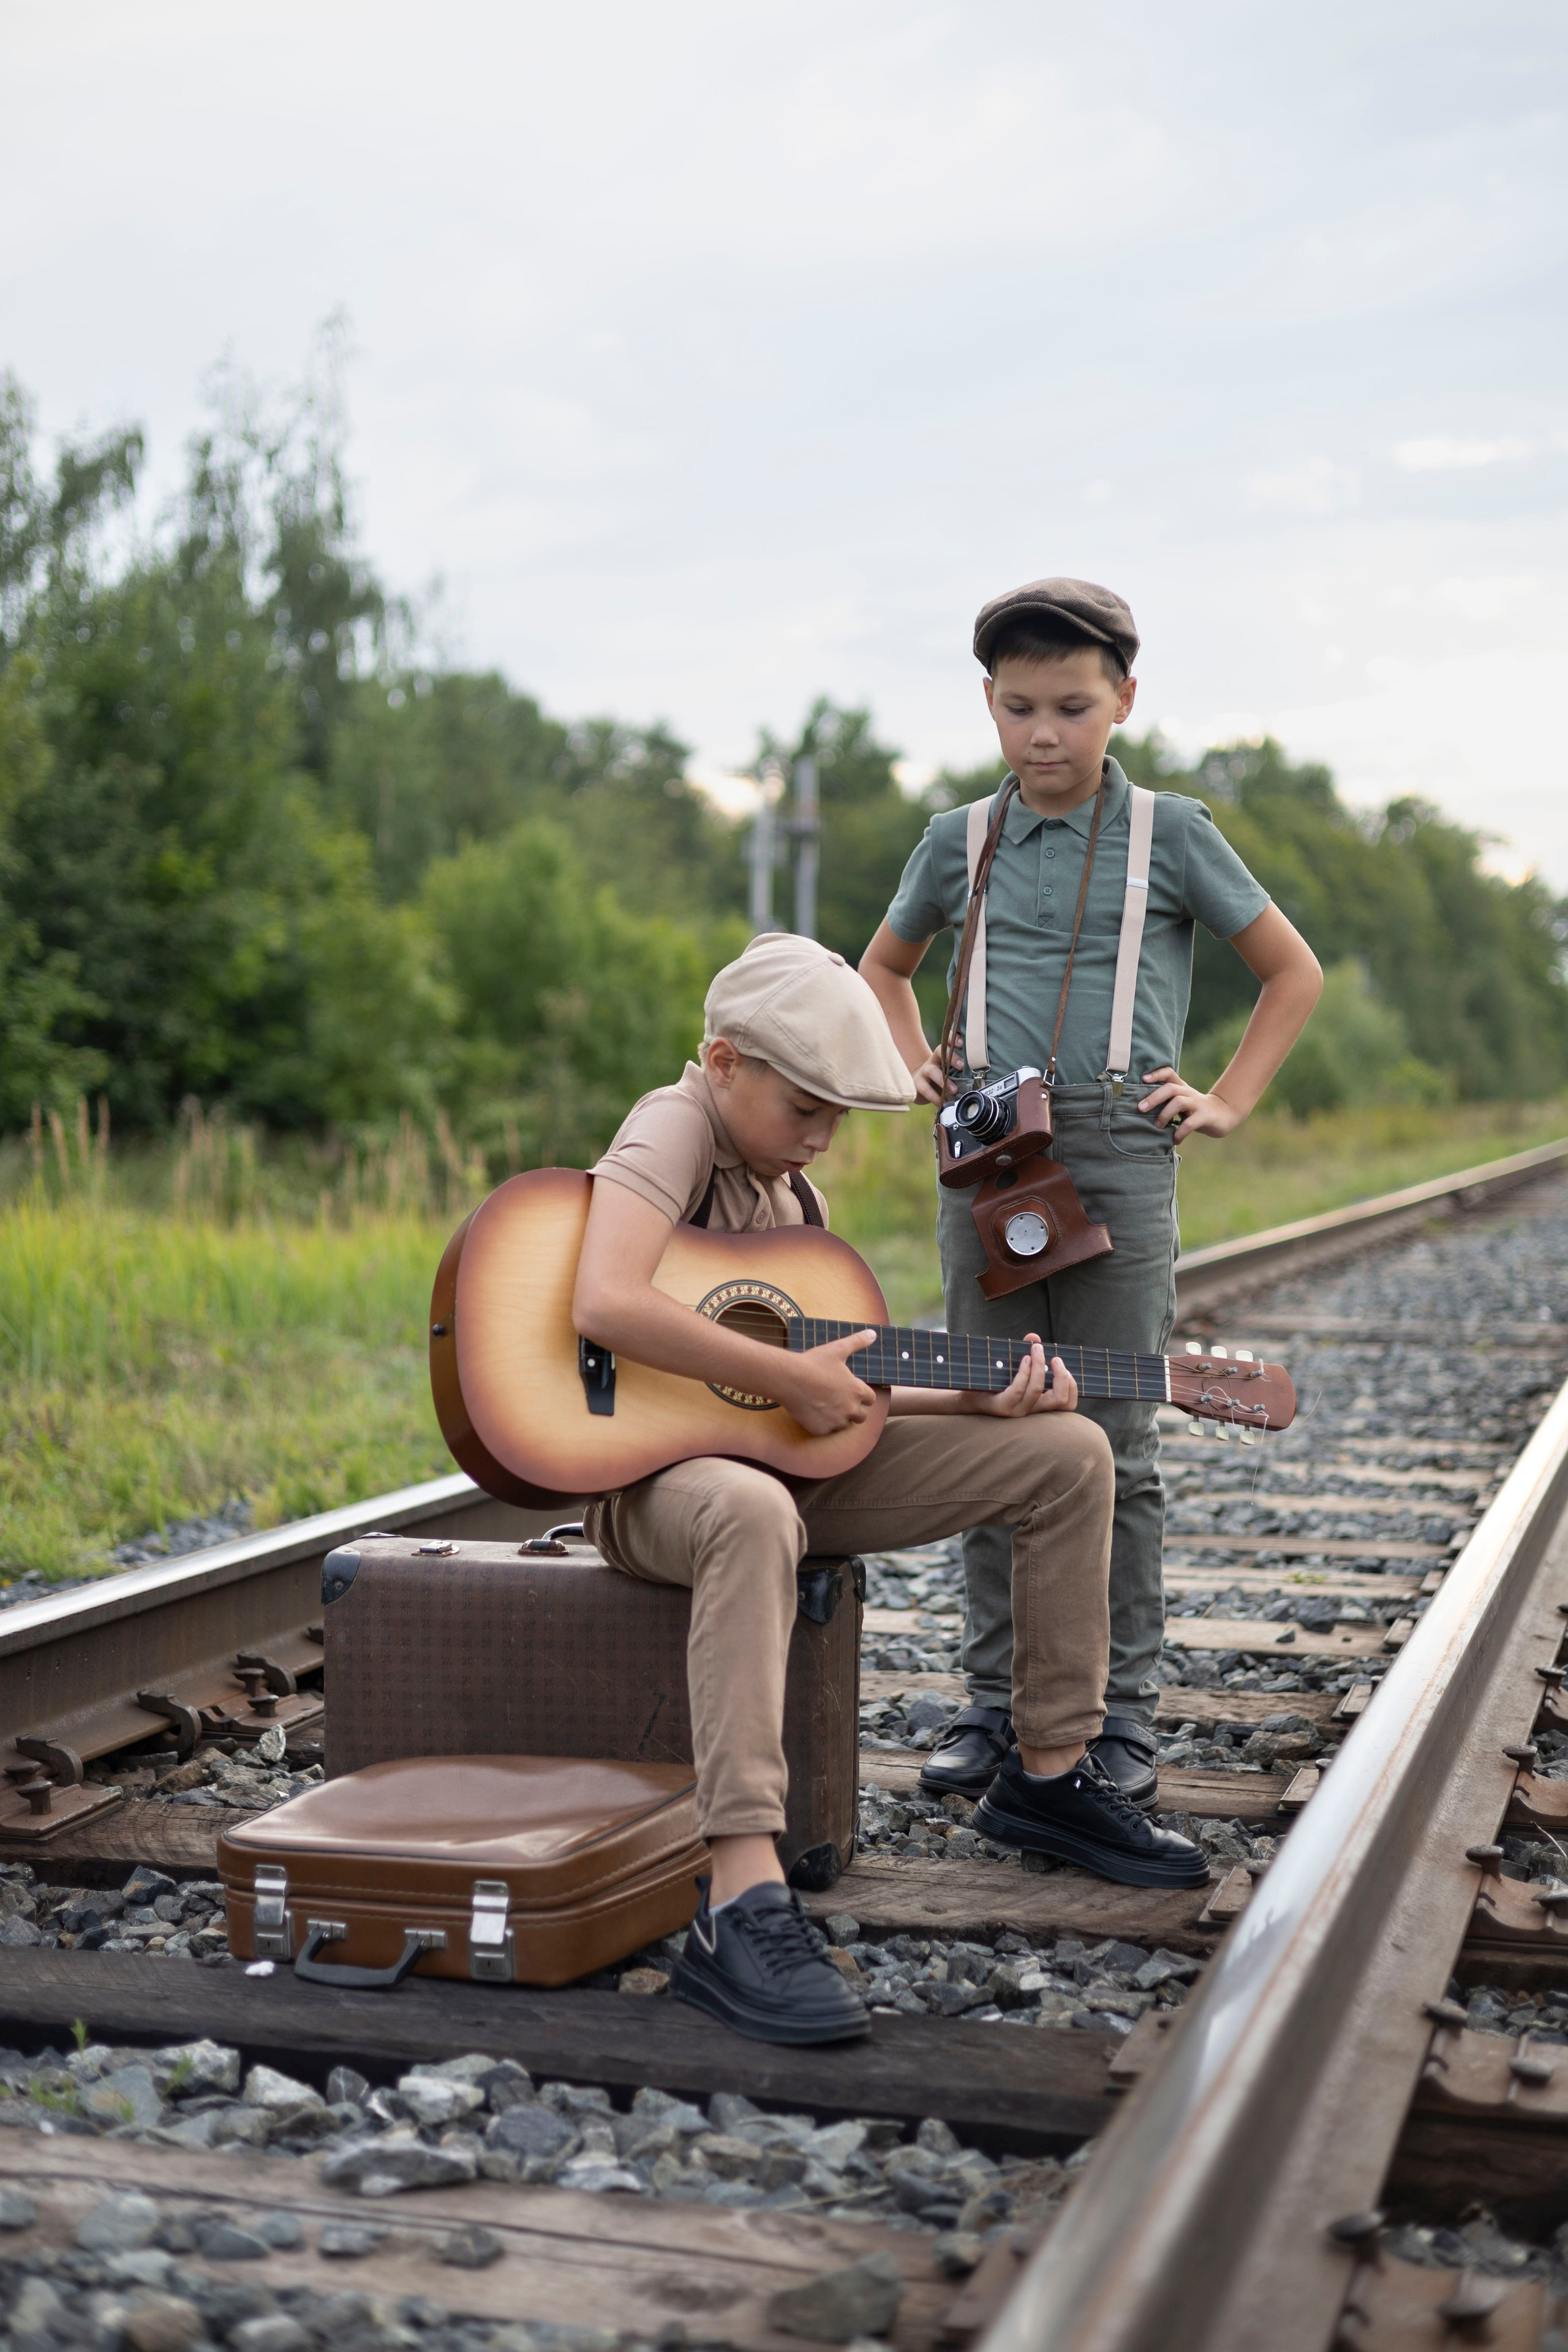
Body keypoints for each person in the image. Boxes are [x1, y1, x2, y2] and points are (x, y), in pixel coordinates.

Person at [573, 930, 1208, 2047]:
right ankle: (741, 1894)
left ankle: (1050, 1775)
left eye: (836, 1116)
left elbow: (829, 1395)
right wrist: (775, 1372)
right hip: (651, 1481)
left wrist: (974, 1404)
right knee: (752, 1507)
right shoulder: (672, 1123)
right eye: (803, 1105)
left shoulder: (787, 1196)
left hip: (770, 1468)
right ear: (724, 1063)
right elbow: (605, 1301)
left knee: (1068, 1455)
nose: (820, 1135)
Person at [860, 578, 1323, 1812]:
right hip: (985, 1157)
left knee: (1113, 1439)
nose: (1044, 735)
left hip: (1118, 1144)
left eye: (1071, 707)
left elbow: (1289, 972)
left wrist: (1223, 1098)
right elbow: (884, 966)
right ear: (987, 707)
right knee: (985, 1423)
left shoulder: (1171, 833)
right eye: (1018, 710)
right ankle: (991, 1704)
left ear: (1123, 698)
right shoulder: (957, 837)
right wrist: (916, 1059)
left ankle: (1115, 1716)